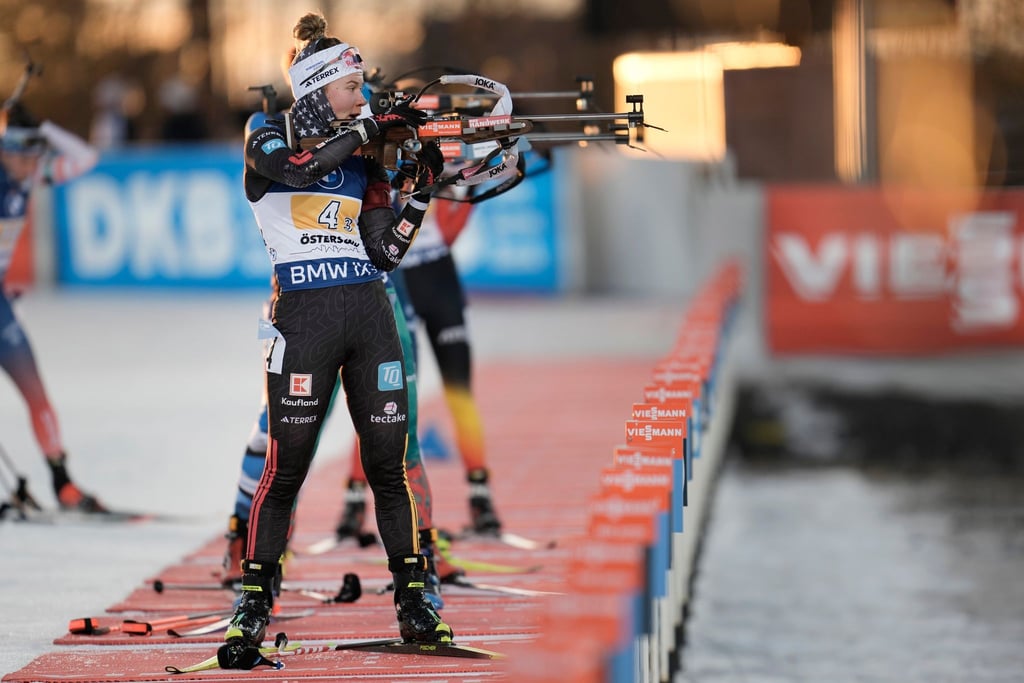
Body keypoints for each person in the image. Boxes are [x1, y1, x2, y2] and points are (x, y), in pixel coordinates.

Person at [218, 12, 452, 668]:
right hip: (303, 319)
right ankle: (253, 604)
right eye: (353, 88)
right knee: (284, 469)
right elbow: (297, 170)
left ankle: (414, 595)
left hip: (369, 315)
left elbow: (383, 256)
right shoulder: (265, 133)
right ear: (317, 89)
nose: (365, 98)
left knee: (388, 464)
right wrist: (367, 131)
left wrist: (418, 193)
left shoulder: (364, 157)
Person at [335, 177, 503, 539]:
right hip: (398, 278)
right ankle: (354, 500)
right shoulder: (384, 155)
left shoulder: (442, 154)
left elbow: (446, 234)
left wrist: (468, 186)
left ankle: (480, 495)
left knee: (460, 391)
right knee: (389, 400)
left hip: (439, 280)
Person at [0, 101, 104, 512]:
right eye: (24, 157)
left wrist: (42, 122)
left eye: (35, 156)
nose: (32, 164)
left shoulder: (29, 179)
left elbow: (85, 158)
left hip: (2, 307)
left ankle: (62, 483)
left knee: (36, 393)